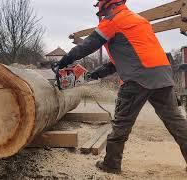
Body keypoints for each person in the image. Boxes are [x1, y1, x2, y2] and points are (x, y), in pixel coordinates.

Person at [52, 0, 187, 174]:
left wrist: (63, 62)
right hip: (163, 77)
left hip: (137, 79)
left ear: (108, 7)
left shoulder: (114, 20)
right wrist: (94, 74)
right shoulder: (139, 21)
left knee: (121, 124)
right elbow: (120, 62)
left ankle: (111, 165)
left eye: (103, 13)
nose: (103, 17)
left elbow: (88, 45)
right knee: (176, 123)